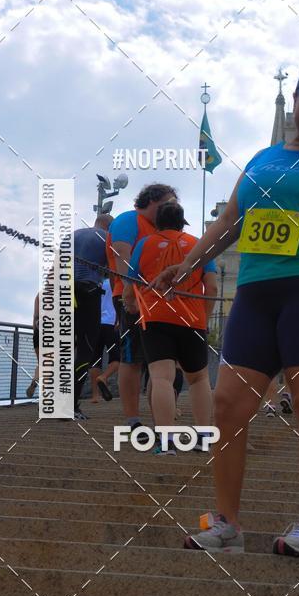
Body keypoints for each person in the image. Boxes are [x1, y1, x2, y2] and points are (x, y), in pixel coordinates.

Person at [153, 60, 299, 557]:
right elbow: (230, 222)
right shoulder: (261, 159)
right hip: (256, 295)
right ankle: (226, 524)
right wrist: (188, 265)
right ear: (298, 103)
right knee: (228, 406)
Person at [124, 202, 217, 454]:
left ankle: (166, 442)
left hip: (155, 317)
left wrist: (131, 303)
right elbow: (213, 287)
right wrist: (203, 320)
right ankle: (202, 438)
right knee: (198, 380)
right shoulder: (199, 244)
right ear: (182, 222)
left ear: (157, 223)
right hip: (192, 319)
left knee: (161, 377)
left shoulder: (144, 244)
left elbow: (130, 281)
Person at [106, 184, 178, 431]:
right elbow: (121, 256)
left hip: (156, 298)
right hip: (132, 297)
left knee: (156, 360)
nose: (172, 208)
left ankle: (161, 416)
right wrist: (132, 294)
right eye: (168, 203)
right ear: (152, 200)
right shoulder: (129, 220)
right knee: (131, 358)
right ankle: (133, 419)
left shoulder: (157, 227)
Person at [72, 214, 113, 419]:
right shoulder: (107, 238)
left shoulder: (73, 234)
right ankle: (72, 405)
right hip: (88, 291)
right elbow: (114, 273)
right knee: (86, 349)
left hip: (64, 291)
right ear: (110, 226)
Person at [89, 278, 120, 403]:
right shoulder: (115, 282)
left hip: (95, 325)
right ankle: (104, 377)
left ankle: (95, 396)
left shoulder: (95, 283)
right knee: (117, 358)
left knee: (95, 360)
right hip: (111, 325)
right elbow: (119, 301)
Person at [26, 292, 40, 398]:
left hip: (38, 332)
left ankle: (36, 378)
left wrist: (35, 333)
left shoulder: (39, 295)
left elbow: (35, 316)